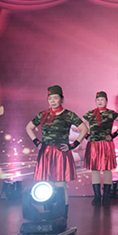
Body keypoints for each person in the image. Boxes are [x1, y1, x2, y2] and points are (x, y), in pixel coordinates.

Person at [25, 85, 88, 216]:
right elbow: (28, 127)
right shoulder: (43, 114)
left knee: (60, 184)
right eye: (50, 98)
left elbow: (84, 129)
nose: (52, 101)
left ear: (62, 99)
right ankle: (49, 213)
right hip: (46, 152)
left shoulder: (68, 114)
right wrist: (36, 142)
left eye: (55, 98)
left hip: (61, 152)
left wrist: (74, 145)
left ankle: (63, 214)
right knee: (46, 183)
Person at [84, 91, 118, 205]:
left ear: (106, 101)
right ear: (95, 101)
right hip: (93, 144)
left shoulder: (111, 113)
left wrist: (114, 135)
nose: (100, 101)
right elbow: (79, 124)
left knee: (107, 169)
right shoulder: (90, 113)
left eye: (102, 99)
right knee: (95, 169)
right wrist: (86, 136)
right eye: (98, 100)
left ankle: (106, 196)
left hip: (106, 144)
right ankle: (97, 196)